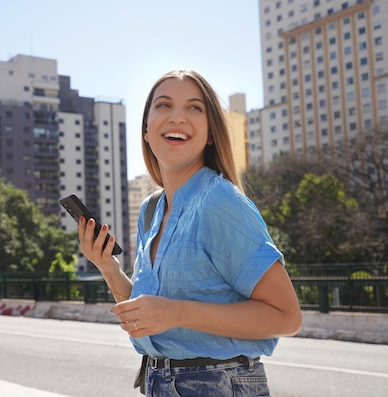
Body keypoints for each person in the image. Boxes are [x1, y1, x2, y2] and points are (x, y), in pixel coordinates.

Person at [77, 70, 302, 396]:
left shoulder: (221, 203)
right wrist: (109, 268)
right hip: (158, 381)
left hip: (219, 383)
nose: (177, 117)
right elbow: (150, 317)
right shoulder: (151, 209)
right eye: (164, 105)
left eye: (194, 108)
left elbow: (286, 317)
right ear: (146, 129)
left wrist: (178, 313)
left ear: (210, 133)